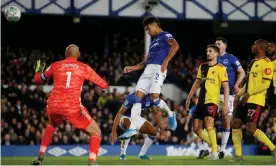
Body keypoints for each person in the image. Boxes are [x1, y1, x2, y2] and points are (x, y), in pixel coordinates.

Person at [31, 44, 108, 165]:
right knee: (96, 132)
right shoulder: (84, 67)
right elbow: (104, 85)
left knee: (52, 125)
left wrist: (37, 72)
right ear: (79, 55)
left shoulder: (55, 65)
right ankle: (92, 162)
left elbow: (37, 80)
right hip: (72, 107)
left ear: (65, 54)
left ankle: (40, 156)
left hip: (53, 105)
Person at [120, 16, 179, 139]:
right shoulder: (153, 43)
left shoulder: (165, 35)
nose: (147, 31)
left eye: (148, 28)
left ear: (156, 25)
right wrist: (133, 67)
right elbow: (145, 62)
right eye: (146, 29)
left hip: (158, 69)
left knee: (154, 98)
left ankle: (170, 113)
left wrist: (166, 62)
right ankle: (132, 129)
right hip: (147, 71)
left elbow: (175, 46)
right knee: (138, 97)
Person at [231, 39, 276, 162]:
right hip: (246, 98)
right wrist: (239, 95)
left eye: (254, 45)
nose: (252, 47)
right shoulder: (252, 62)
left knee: (251, 128)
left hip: (256, 100)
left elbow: (265, 85)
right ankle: (238, 156)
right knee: (235, 123)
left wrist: (248, 94)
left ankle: (273, 148)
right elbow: (248, 83)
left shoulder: (267, 63)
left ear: (260, 47)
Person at [186, 44, 229, 160]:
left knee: (209, 123)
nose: (208, 53)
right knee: (196, 128)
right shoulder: (202, 66)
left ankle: (214, 153)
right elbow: (197, 82)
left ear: (216, 54)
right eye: (207, 51)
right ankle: (216, 145)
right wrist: (189, 96)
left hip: (212, 100)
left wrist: (225, 104)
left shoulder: (221, 68)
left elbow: (226, 87)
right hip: (200, 101)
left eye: (210, 51)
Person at [110, 92, 176, 160]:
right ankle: (123, 153)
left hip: (137, 118)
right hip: (124, 117)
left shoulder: (151, 98)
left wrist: (162, 130)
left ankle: (142, 154)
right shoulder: (132, 97)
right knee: (131, 127)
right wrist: (113, 131)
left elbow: (156, 113)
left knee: (153, 131)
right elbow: (120, 113)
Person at [215, 37, 245, 159]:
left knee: (227, 120)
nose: (216, 45)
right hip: (214, 94)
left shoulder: (231, 58)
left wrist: (237, 84)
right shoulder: (213, 57)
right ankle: (209, 147)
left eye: (218, 43)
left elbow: (242, 72)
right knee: (207, 119)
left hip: (229, 94)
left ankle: (222, 150)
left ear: (225, 46)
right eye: (215, 43)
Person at [184, 94, 209, 159]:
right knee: (196, 139)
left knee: (203, 139)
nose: (196, 101)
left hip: (204, 125)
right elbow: (189, 117)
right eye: (195, 99)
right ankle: (203, 150)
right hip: (196, 125)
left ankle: (203, 150)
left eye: (197, 99)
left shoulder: (204, 107)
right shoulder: (193, 108)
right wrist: (186, 125)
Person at [267, 41, 276, 133]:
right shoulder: (266, 61)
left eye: (271, 47)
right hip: (270, 90)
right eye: (268, 47)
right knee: (273, 113)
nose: (269, 48)